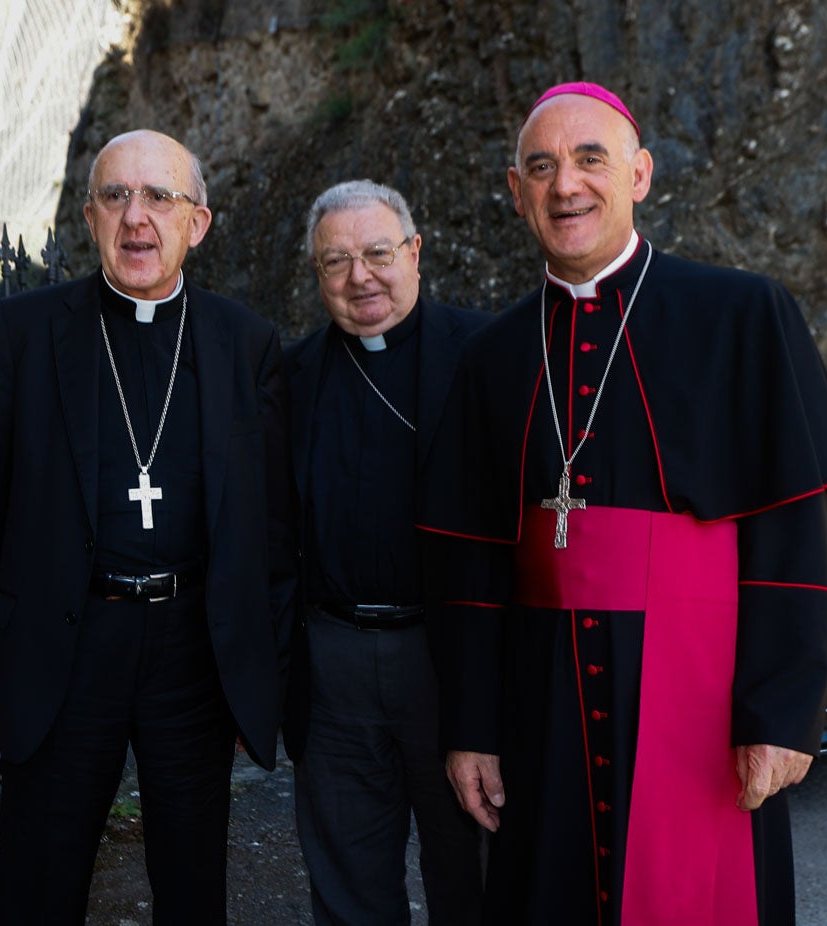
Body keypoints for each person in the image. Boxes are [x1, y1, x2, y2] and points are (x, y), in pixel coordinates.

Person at [418, 83, 827, 925]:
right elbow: (469, 565)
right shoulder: (492, 355)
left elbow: (789, 534)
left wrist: (780, 712)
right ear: (515, 192)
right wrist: (471, 726)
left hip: (696, 688)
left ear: (640, 174)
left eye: (590, 160)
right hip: (541, 701)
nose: (566, 186)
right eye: (540, 167)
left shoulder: (740, 313)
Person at [0, 129, 297, 925]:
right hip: (65, 641)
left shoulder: (246, 344)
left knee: (193, 879)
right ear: (89, 217)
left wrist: (257, 682)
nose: (138, 218)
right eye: (115, 197)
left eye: (159, 197)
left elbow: (269, 535)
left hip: (191, 652)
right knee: (39, 878)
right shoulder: (24, 333)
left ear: (196, 223)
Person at [284, 180, 486, 925]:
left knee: (468, 867)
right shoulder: (293, 376)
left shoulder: (483, 355)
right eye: (334, 261)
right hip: (332, 661)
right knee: (346, 878)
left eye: (376, 253)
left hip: (447, 660)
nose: (358, 277)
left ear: (415, 253)